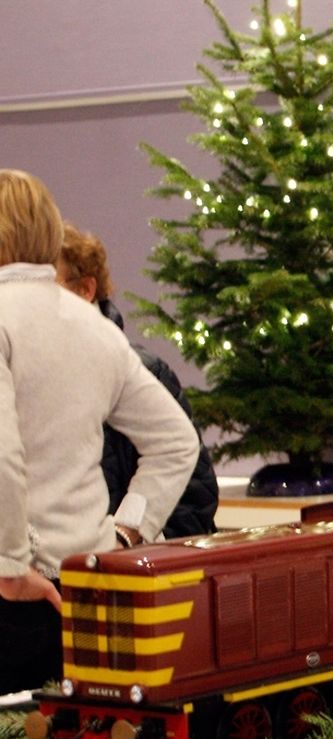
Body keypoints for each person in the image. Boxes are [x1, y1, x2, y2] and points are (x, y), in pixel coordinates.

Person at [0, 169, 199, 694]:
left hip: (13, 592)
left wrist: (11, 566)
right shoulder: (95, 326)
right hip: (87, 586)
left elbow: (2, 456)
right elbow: (177, 443)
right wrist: (128, 531)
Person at [57, 224, 219, 539]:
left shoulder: (142, 370)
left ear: (85, 289)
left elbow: (193, 496)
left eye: (49, 286)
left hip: (120, 564)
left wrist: (125, 540)